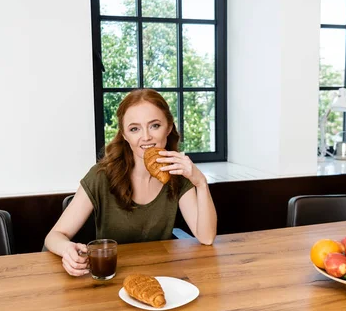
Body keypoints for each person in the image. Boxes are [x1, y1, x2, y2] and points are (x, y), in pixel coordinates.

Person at [44, 88, 217, 276]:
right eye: (135, 129)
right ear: (125, 135)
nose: (146, 137)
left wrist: (200, 182)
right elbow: (54, 236)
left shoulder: (177, 175)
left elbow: (206, 237)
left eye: (155, 125)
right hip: (111, 278)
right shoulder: (101, 176)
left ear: (168, 127)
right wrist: (67, 249)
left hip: (161, 276)